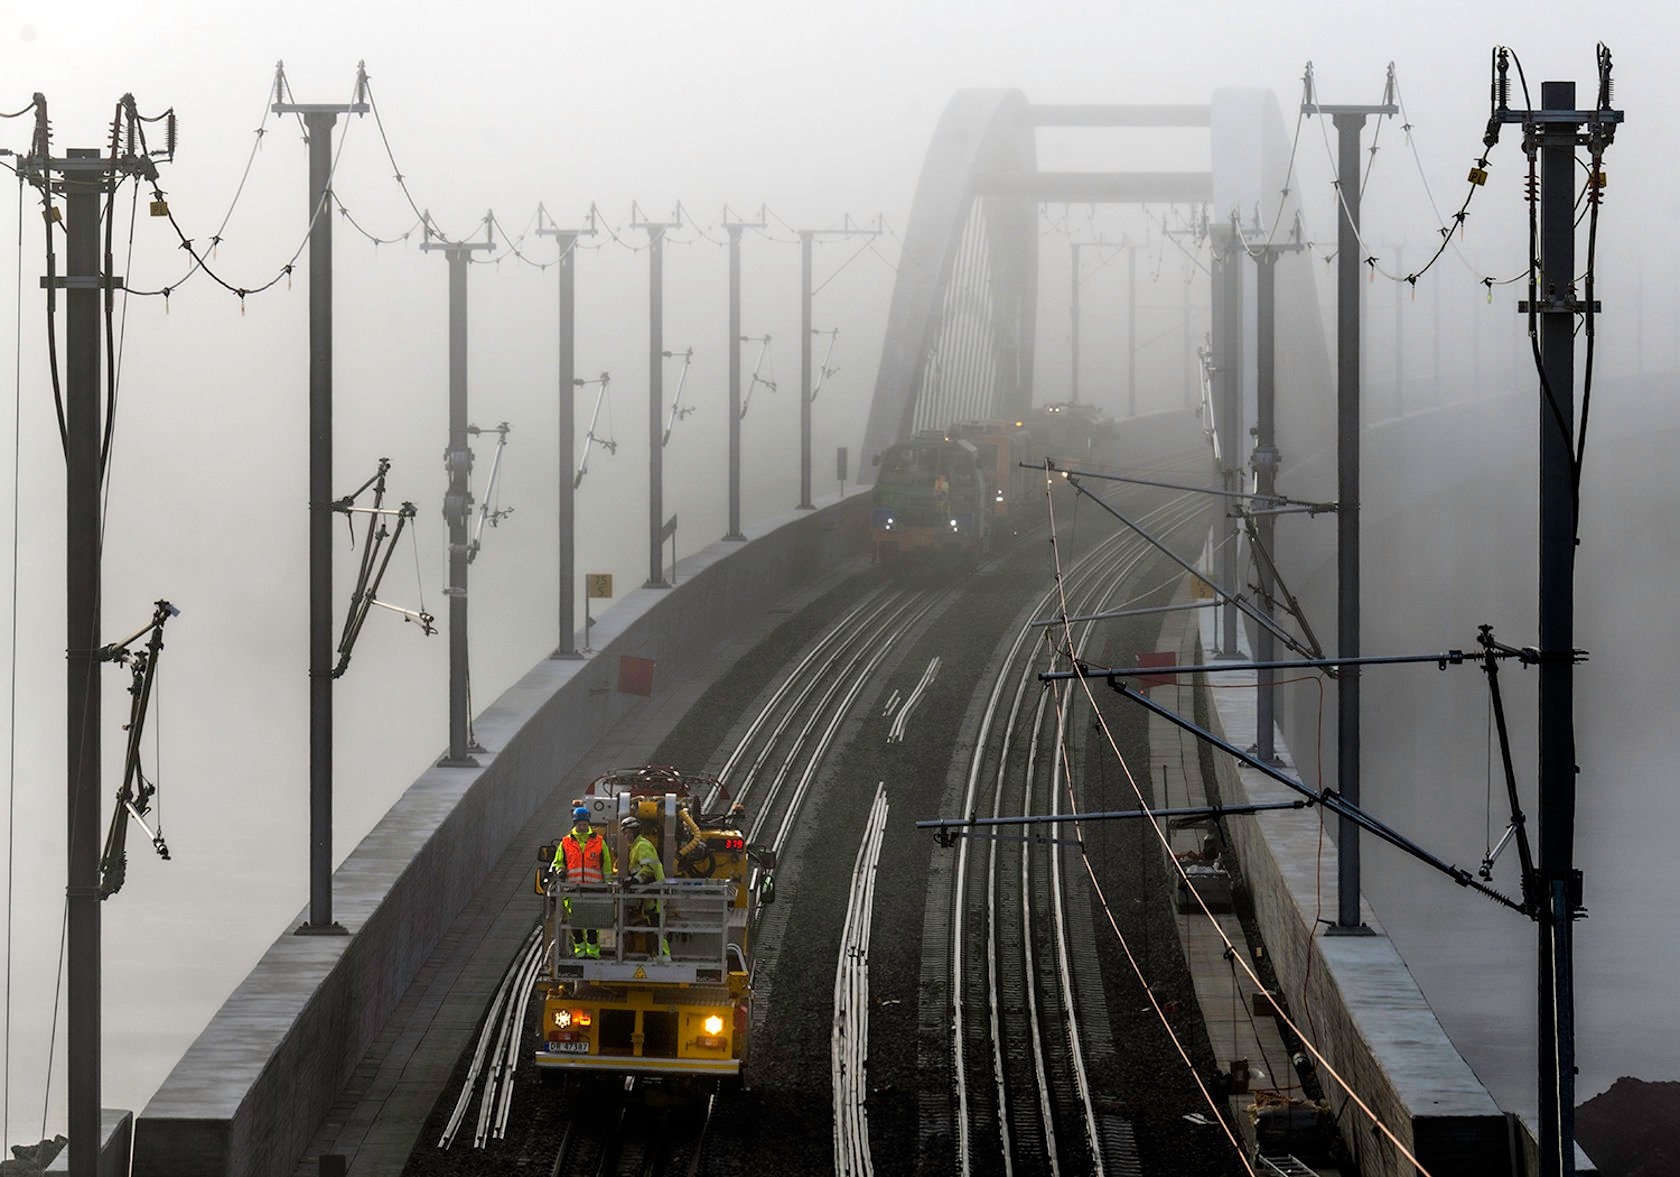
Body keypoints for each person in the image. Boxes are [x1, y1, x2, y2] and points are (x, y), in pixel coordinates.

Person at [554, 805, 613, 958]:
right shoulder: (566, 842)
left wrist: (608, 885)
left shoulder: (599, 841)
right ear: (575, 824)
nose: (582, 827)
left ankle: (593, 952)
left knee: (593, 923)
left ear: (588, 824)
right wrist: (560, 871)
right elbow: (558, 862)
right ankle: (580, 951)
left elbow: (606, 864)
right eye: (580, 825)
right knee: (575, 922)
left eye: (585, 825)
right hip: (573, 888)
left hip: (594, 888)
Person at [622, 815, 669, 958]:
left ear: (634, 832)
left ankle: (664, 957)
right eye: (625, 833)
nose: (626, 836)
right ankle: (657, 955)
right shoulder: (637, 846)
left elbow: (648, 869)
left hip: (655, 893)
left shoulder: (642, 846)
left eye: (628, 833)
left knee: (656, 927)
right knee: (653, 926)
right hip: (651, 893)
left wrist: (634, 881)